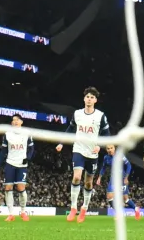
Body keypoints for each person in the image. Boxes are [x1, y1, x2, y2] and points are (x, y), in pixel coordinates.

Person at [55, 87, 110, 223]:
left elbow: (106, 134)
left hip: (92, 153)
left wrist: (99, 145)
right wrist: (61, 142)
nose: (89, 99)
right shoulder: (77, 114)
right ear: (84, 98)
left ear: (95, 100)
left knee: (88, 182)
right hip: (78, 149)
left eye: (92, 97)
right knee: (76, 177)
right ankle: (73, 207)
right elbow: (70, 128)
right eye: (87, 96)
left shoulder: (100, 116)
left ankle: (84, 208)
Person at [0, 113, 34, 222]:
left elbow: (31, 148)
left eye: (17, 120)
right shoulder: (7, 134)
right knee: (8, 188)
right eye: (13, 120)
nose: (15, 121)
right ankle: (11, 214)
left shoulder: (27, 133)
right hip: (10, 163)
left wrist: (28, 158)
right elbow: (3, 151)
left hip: (22, 164)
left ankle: (23, 212)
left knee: (21, 188)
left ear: (21, 122)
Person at [96, 145, 141, 220]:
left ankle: (136, 209)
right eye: (108, 149)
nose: (110, 150)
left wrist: (126, 177)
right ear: (106, 150)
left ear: (114, 148)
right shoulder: (106, 158)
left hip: (122, 179)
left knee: (125, 199)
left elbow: (129, 165)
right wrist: (99, 177)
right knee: (109, 196)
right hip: (113, 179)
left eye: (111, 148)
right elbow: (103, 167)